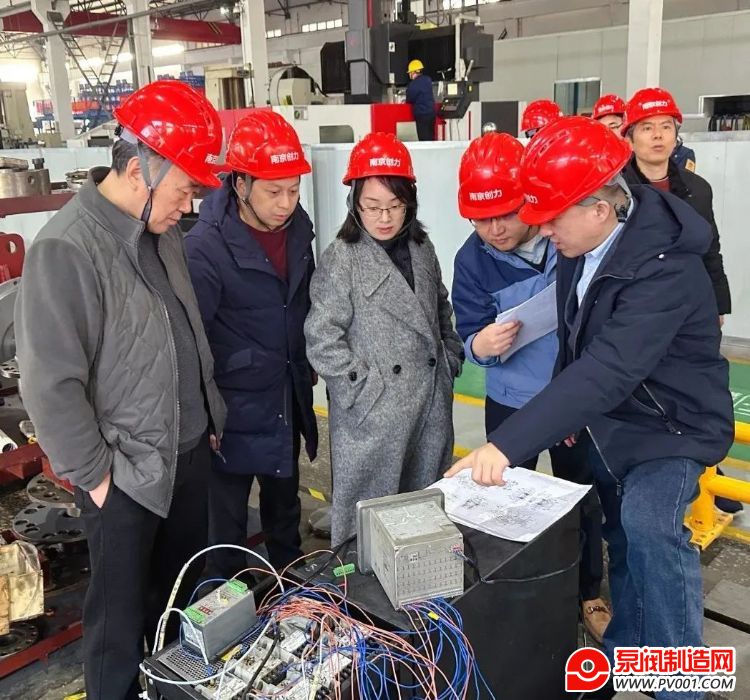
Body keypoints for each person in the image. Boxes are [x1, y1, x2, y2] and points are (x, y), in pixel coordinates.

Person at [447, 116, 734, 700]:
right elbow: (576, 344)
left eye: (553, 216)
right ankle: (625, 655)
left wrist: (505, 444)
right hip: (616, 418)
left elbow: (608, 368)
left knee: (650, 530)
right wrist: (568, 413)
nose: (542, 228)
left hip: (670, 425)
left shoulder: (664, 270)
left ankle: (684, 685)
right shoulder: (588, 244)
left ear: (600, 208)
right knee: (628, 536)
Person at [14, 80, 227, 700]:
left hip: (187, 455)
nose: (187, 205)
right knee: (119, 628)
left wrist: (209, 414)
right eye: (183, 189)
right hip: (125, 475)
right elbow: (50, 383)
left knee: (178, 612)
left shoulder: (162, 232)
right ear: (139, 171)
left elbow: (184, 329)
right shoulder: (67, 247)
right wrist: (98, 478)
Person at [451, 131, 610, 643]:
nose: (495, 229)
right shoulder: (471, 260)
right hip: (510, 404)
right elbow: (467, 333)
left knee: (580, 500)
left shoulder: (567, 239)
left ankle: (587, 592)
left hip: (571, 399)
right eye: (482, 219)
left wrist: (575, 400)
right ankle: (511, 589)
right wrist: (481, 344)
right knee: (502, 501)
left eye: (506, 213)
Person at [305, 132, 463, 545]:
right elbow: (321, 337)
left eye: (395, 205)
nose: (385, 217)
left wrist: (449, 360)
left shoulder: (421, 247)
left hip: (429, 404)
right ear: (354, 204)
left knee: (422, 520)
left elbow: (439, 308)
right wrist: (365, 389)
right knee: (368, 527)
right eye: (372, 206)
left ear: (410, 201)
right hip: (375, 418)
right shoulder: (342, 257)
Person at [186, 111, 318, 576]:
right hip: (232, 411)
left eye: (294, 190)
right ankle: (220, 607)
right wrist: (204, 413)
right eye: (273, 192)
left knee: (285, 515)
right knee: (225, 532)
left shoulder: (298, 231)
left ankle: (294, 599)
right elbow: (193, 338)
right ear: (240, 184)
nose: (286, 203)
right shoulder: (205, 248)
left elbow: (302, 302)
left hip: (286, 397)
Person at [621, 87, 738, 515]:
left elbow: (710, 249)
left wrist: (718, 304)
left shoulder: (697, 188)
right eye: (647, 128)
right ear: (630, 137)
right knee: (646, 391)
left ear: (676, 134)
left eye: (666, 127)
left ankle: (708, 471)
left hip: (692, 309)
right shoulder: (617, 190)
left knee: (697, 393)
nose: (658, 136)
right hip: (641, 309)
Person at [405, 59, 436, 141]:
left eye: (410, 73)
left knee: (423, 140)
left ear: (413, 72)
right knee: (431, 138)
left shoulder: (413, 84)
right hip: (431, 113)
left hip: (421, 115)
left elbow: (409, 99)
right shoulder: (428, 80)